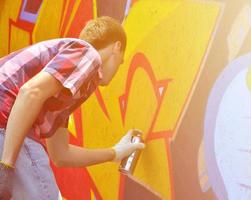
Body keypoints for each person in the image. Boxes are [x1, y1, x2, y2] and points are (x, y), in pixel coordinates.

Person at [0, 16, 145, 200]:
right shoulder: (88, 54)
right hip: (5, 119)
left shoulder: (66, 87)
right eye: (121, 61)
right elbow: (30, 92)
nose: (118, 68)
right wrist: (6, 166)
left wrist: (115, 153)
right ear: (117, 47)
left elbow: (61, 154)